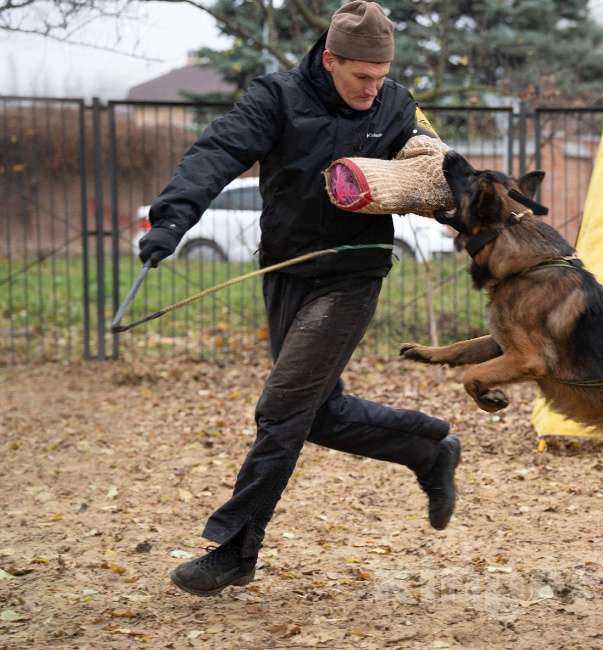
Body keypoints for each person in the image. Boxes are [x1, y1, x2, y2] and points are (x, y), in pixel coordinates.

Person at [138, 0, 461, 597]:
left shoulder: (396, 105)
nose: (374, 88)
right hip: (286, 271)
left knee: (281, 410)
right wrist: (171, 220)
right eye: (362, 76)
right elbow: (217, 152)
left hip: (352, 275)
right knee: (318, 413)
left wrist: (460, 207)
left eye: (382, 76)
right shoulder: (277, 97)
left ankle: (235, 548)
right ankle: (427, 447)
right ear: (330, 58)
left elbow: (440, 169)